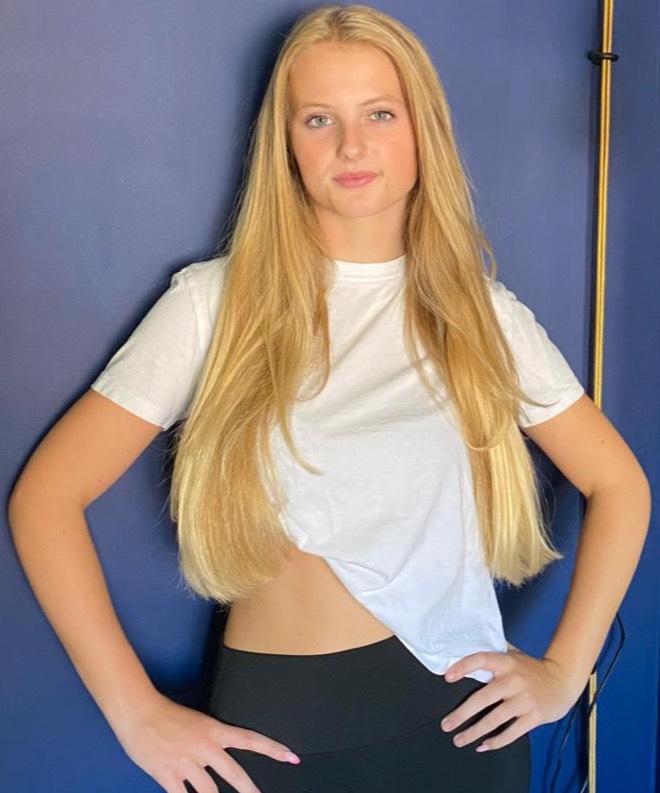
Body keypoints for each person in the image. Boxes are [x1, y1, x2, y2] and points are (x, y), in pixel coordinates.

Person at [8, 4, 651, 793]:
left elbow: (619, 483)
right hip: (280, 730)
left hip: (461, 723)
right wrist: (135, 711)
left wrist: (564, 670)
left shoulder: (482, 315)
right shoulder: (215, 303)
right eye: (319, 119)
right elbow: (46, 497)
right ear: (286, 143)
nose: (352, 144)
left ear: (423, 131)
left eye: (380, 113)